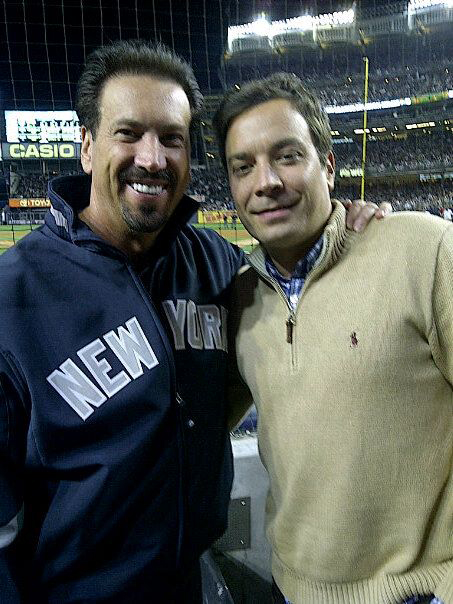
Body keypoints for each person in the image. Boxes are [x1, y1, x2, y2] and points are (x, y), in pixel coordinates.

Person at [0, 42, 388, 603]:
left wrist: (348, 231)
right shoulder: (14, 296)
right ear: (86, 147)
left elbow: (304, 300)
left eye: (172, 138)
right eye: (128, 133)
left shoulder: (218, 265)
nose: (153, 158)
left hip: (189, 584)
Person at [213, 73, 453, 604]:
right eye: (242, 167)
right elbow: (199, 419)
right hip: (290, 588)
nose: (266, 181)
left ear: (328, 165)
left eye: (288, 156)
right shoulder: (241, 300)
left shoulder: (425, 250)